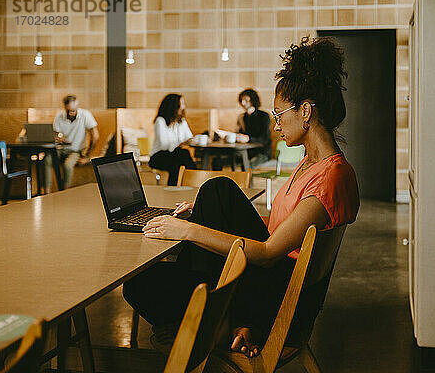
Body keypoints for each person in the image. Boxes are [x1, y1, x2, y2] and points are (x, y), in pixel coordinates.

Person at [123, 37, 360, 358]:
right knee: (215, 193)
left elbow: (267, 253)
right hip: (271, 282)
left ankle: (218, 323)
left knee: (141, 284)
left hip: (277, 297)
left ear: (305, 111)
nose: (276, 125)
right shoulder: (312, 164)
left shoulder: (330, 177)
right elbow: (283, 228)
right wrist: (206, 212)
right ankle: (216, 315)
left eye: (279, 114)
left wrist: (189, 231)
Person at [44, 95, 99, 192]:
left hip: (75, 151)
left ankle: (65, 193)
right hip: (59, 149)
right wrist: (59, 138)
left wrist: (87, 156)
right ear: (64, 107)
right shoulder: (59, 116)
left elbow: (95, 137)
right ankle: (46, 193)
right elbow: (55, 134)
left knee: (68, 165)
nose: (70, 113)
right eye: (68, 110)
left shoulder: (86, 115)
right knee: (47, 160)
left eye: (73, 110)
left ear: (77, 106)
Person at [148, 94, 197, 186]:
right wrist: (181, 143)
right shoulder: (160, 121)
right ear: (174, 106)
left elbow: (189, 137)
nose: (183, 107)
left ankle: (176, 187)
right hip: (158, 156)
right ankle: (195, 180)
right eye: (181, 104)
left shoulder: (181, 121)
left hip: (175, 155)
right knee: (181, 156)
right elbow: (164, 145)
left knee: (181, 156)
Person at [236, 89, 271, 167]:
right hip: (247, 151)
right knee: (220, 160)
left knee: (247, 165)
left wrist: (248, 139)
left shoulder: (264, 116)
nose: (243, 103)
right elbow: (241, 133)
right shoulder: (242, 117)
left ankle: (245, 179)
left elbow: (265, 139)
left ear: (253, 99)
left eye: (246, 100)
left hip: (262, 152)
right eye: (241, 100)